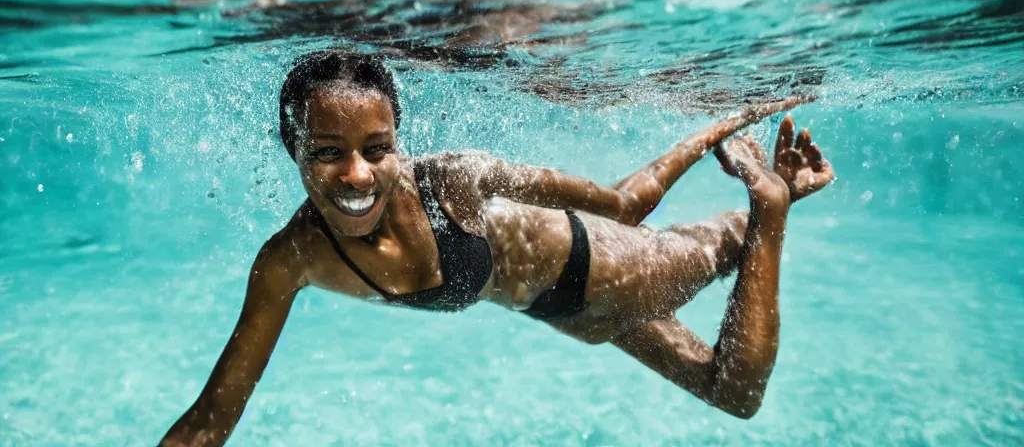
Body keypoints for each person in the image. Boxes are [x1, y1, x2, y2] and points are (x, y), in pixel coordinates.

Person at [160, 50, 834, 446]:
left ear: (399, 140)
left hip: (614, 267)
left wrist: (731, 119)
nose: (358, 175)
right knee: (722, 280)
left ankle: (769, 202)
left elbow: (626, 204)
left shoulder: (452, 180)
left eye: (377, 149)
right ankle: (777, 199)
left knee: (737, 391)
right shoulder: (291, 258)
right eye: (328, 153)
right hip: (567, 314)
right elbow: (212, 419)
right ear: (294, 150)